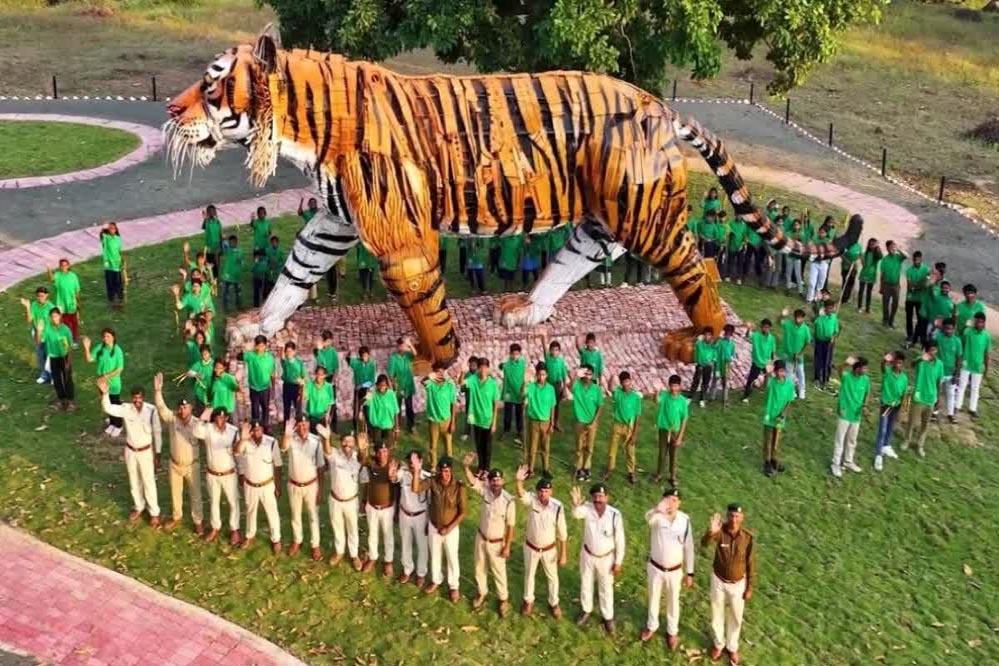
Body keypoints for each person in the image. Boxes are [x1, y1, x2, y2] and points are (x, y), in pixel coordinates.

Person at [98, 379, 162, 527]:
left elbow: (157, 432)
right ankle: (139, 506)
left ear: (144, 397)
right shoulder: (126, 408)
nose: (137, 400)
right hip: (131, 450)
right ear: (131, 397)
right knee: (134, 481)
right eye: (134, 397)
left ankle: (154, 512)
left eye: (139, 397)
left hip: (146, 451)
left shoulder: (151, 410)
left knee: (148, 482)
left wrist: (158, 453)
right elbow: (108, 408)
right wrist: (105, 394)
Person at [701, 504, 756, 665]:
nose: (734, 519)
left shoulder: (747, 538)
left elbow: (751, 563)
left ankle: (732, 647)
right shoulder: (720, 531)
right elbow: (704, 544)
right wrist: (711, 532)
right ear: (727, 516)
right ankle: (719, 643)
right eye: (731, 516)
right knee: (717, 613)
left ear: (742, 518)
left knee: (736, 616)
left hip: (738, 584)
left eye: (737, 516)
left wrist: (749, 587)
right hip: (718, 580)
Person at [641, 487, 695, 650]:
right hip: (656, 567)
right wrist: (658, 510)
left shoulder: (684, 520)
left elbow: (689, 547)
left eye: (675, 500)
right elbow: (648, 520)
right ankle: (652, 626)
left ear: (679, 503)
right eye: (668, 499)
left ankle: (672, 631)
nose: (671, 503)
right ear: (663, 500)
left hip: (675, 570)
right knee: (654, 597)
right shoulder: (657, 516)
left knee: (673, 601)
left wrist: (690, 572)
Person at [463, 455, 515, 616]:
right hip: (481, 537)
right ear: (489, 482)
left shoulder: (509, 501)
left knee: (499, 571)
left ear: (503, 481)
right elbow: (472, 481)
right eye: (493, 480)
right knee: (479, 567)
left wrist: (507, 546)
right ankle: (482, 592)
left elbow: (511, 526)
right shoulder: (485, 491)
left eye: (498, 480)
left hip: (497, 542)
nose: (496, 483)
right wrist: (466, 467)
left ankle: (503, 599)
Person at [151, 373, 203, 534]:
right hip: (174, 465)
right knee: (175, 493)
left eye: (185, 407)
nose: (182, 410)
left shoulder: (197, 424)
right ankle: (176, 516)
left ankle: (198, 521)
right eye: (180, 407)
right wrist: (158, 391)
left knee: (196, 495)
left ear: (191, 408)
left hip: (192, 466)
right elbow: (161, 409)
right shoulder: (173, 419)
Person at [570, 483, 624, 634]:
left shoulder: (615, 515)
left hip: (607, 558)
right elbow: (576, 514)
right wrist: (575, 504)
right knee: (586, 583)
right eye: (595, 497)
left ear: (607, 497)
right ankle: (586, 610)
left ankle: (608, 617)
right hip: (588, 555)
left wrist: (618, 562)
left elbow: (620, 540)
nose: (598, 500)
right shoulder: (587, 509)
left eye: (601, 496)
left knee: (606, 588)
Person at [412, 456, 467, 602]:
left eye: (447, 471)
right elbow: (416, 489)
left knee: (452, 557)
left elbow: (463, 512)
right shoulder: (433, 481)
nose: (444, 475)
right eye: (441, 471)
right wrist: (416, 471)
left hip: (451, 529)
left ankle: (454, 586)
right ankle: (436, 580)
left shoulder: (459, 486)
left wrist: (449, 528)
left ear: (451, 471)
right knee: (435, 555)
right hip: (434, 526)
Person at [515, 468, 568, 619]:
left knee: (552, 577)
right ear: (536, 491)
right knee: (529, 574)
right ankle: (528, 600)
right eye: (541, 491)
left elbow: (562, 533)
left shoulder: (558, 507)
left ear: (551, 492)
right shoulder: (532, 500)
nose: (543, 494)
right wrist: (519, 481)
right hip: (531, 547)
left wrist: (563, 554)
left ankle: (554, 603)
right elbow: (521, 494)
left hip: (549, 549)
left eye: (546, 491)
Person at [280, 415, 326, 560]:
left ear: (308, 424)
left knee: (313, 516)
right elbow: (283, 448)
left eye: (305, 424)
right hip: (294, 484)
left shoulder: (316, 441)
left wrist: (320, 490)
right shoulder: (291, 439)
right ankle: (297, 541)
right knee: (295, 515)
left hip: (311, 485)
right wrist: (286, 435)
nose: (302, 427)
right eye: (299, 425)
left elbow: (320, 467)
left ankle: (315, 545)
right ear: (296, 427)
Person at [235, 420, 283, 553]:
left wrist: (278, 486)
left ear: (262, 430)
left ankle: (276, 539)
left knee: (272, 512)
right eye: (254, 430)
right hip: (250, 484)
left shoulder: (271, 442)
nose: (257, 432)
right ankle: (249, 535)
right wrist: (243, 439)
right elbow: (236, 452)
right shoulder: (245, 442)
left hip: (267, 484)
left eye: (259, 429)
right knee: (250, 511)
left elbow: (278, 465)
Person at [197, 407, 242, 545]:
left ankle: (235, 529)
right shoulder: (208, 429)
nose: (220, 420)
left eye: (223, 417)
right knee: (214, 501)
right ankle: (215, 527)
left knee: (233, 501)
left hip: (229, 473)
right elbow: (196, 431)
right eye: (218, 417)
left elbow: (239, 453)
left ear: (227, 418)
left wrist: (241, 472)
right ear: (214, 418)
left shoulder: (233, 431)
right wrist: (206, 412)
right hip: (212, 473)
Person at [325, 431, 364, 570]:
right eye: (345, 441)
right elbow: (327, 450)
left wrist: (363, 449)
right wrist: (326, 438)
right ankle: (339, 552)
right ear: (340, 442)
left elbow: (364, 463)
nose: (347, 444)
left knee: (352, 528)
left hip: (351, 501)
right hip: (335, 500)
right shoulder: (335, 455)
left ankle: (354, 555)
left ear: (354, 444)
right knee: (337, 527)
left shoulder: (358, 457)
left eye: (350, 441)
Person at [393, 450, 430, 587]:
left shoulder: (427, 477)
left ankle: (421, 573)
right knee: (405, 543)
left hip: (421, 515)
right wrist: (393, 470)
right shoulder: (403, 474)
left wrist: (429, 520)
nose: (411, 464)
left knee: (422, 545)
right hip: (405, 514)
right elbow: (393, 478)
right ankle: (407, 569)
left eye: (414, 461)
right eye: (410, 462)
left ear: (421, 461)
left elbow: (431, 501)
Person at [359, 440, 396, 575]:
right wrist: (362, 450)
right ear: (375, 453)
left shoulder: (393, 464)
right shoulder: (371, 464)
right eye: (379, 452)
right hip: (372, 506)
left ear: (388, 452)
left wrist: (392, 476)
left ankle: (388, 561)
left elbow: (395, 480)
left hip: (387, 508)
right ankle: (373, 557)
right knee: (372, 534)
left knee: (388, 535)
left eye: (385, 451)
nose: (382, 455)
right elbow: (362, 460)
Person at [830, 357, 871, 478]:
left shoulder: (865, 379)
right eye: (864, 368)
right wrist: (846, 363)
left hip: (856, 415)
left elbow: (867, 393)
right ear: (857, 368)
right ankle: (835, 464)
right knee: (840, 439)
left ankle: (848, 461)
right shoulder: (847, 377)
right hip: (845, 413)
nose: (866, 370)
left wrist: (865, 405)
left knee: (852, 440)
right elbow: (839, 369)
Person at [82, 329, 125, 436]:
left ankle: (118, 425)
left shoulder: (117, 350)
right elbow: (89, 359)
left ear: (113, 337)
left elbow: (119, 369)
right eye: (104, 336)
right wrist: (86, 347)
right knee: (106, 402)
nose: (106, 339)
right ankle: (112, 422)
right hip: (102, 382)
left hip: (113, 383)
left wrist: (106, 377)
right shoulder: (100, 347)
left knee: (114, 403)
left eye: (108, 336)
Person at [904, 342, 944, 457]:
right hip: (919, 397)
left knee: (925, 424)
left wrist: (938, 398)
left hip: (930, 398)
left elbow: (939, 382)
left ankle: (920, 445)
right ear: (926, 351)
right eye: (931, 350)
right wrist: (920, 359)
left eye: (935, 350)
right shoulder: (920, 361)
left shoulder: (939, 364)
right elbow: (911, 365)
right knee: (912, 421)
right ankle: (906, 441)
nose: (933, 353)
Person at [464, 357, 501, 474]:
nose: (483, 370)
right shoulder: (473, 379)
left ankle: (486, 469)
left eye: (485, 367)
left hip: (488, 419)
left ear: (488, 369)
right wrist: (461, 372)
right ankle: (480, 467)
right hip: (476, 418)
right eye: (480, 367)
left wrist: (494, 422)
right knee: (479, 445)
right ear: (478, 369)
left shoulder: (493, 384)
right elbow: (461, 383)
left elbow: (495, 404)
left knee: (487, 446)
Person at [605, 371, 643, 484]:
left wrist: (634, 433)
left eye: (628, 381)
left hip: (629, 426)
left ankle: (631, 472)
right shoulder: (618, 393)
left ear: (630, 381)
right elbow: (610, 388)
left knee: (630, 450)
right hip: (617, 424)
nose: (626, 384)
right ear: (621, 383)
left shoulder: (636, 397)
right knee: (612, 449)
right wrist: (612, 377)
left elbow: (638, 416)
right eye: (624, 382)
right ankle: (610, 469)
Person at [874, 351, 908, 472]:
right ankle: (878, 455)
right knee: (882, 430)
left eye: (900, 363)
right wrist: (886, 358)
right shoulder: (887, 372)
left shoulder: (904, 377)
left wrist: (903, 407)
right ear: (893, 362)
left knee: (890, 426)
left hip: (896, 406)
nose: (898, 365)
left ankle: (886, 446)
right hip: (886, 405)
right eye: (896, 362)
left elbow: (904, 393)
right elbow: (882, 364)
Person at [761, 361, 795, 477]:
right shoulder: (772, 382)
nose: (781, 374)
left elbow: (789, 400)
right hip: (769, 414)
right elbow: (764, 386)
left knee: (776, 439)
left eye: (782, 371)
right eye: (779, 371)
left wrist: (783, 414)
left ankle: (774, 459)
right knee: (768, 439)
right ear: (775, 372)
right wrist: (767, 374)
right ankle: (767, 462)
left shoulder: (789, 384)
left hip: (780, 416)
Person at [570, 365, 604, 482]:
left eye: (589, 374)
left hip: (591, 422)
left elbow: (600, 406)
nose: (587, 376)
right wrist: (576, 375)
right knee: (579, 447)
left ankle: (587, 468)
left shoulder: (596, 389)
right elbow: (570, 387)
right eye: (585, 373)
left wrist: (594, 422)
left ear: (592, 375)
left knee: (589, 447)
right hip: (580, 421)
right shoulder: (577, 385)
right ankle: (579, 469)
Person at [524, 362, 557, 478]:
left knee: (545, 447)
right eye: (539, 374)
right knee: (532, 447)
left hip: (546, 422)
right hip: (534, 421)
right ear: (536, 375)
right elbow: (523, 394)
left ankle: (546, 469)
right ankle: (530, 469)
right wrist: (525, 382)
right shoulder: (531, 387)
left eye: (543, 375)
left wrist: (552, 422)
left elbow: (552, 405)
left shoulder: (551, 389)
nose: (541, 377)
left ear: (546, 375)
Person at [655, 375, 689, 487]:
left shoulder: (682, 401)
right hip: (664, 429)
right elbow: (657, 401)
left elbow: (684, 419)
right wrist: (656, 393)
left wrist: (680, 437)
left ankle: (673, 476)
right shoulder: (665, 395)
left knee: (673, 455)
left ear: (679, 386)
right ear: (669, 386)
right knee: (662, 453)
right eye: (672, 386)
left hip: (675, 431)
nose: (674, 388)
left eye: (676, 386)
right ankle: (659, 474)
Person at [423, 362, 458, 469]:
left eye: (442, 371)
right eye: (437, 371)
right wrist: (428, 376)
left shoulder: (449, 385)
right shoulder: (431, 384)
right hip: (433, 420)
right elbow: (423, 382)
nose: (440, 373)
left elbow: (453, 404)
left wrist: (453, 422)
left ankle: (448, 466)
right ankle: (433, 466)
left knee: (448, 446)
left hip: (446, 420)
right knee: (433, 446)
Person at [41, 307, 75, 411]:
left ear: (60, 316)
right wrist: (38, 330)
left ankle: (70, 401)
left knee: (67, 379)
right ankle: (61, 399)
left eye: (55, 316)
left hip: (64, 357)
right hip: (53, 357)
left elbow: (70, 346)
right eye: (52, 317)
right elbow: (40, 341)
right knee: (56, 379)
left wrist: (69, 361)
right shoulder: (47, 328)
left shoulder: (65, 330)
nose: (54, 319)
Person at [957, 312, 990, 419]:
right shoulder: (968, 332)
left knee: (975, 388)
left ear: (984, 323)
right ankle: (957, 406)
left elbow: (986, 353)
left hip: (978, 366)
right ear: (974, 321)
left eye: (981, 322)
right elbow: (961, 344)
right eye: (977, 321)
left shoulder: (986, 336)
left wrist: (986, 368)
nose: (979, 324)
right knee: (962, 385)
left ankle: (972, 409)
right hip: (966, 363)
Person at [20, 287, 55, 384]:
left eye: (42, 296)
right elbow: (29, 319)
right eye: (38, 296)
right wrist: (27, 307)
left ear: (47, 295)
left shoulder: (51, 307)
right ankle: (44, 375)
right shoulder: (34, 305)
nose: (40, 298)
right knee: (40, 355)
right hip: (37, 333)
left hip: (48, 335)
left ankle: (53, 376)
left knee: (50, 357)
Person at [243, 335, 276, 431]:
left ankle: (265, 427)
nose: (260, 348)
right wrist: (246, 348)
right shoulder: (250, 355)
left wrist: (273, 387)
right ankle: (255, 428)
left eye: (262, 346)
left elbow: (272, 374)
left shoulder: (270, 358)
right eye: (258, 346)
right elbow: (239, 356)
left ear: (266, 346)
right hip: (254, 388)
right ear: (255, 346)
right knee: (255, 408)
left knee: (265, 408)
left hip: (265, 388)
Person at [778, 308, 811, 400]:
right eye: (796, 317)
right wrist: (782, 315)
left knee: (800, 373)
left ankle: (802, 391)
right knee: (789, 373)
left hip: (799, 356)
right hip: (788, 354)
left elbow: (807, 342)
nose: (797, 319)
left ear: (803, 318)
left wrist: (800, 353)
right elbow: (779, 322)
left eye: (800, 317)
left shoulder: (805, 329)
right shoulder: (788, 324)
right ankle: (791, 391)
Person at [934, 319, 963, 423]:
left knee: (951, 393)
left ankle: (951, 414)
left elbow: (959, 358)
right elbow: (931, 349)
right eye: (946, 328)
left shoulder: (957, 341)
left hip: (951, 373)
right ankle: (934, 412)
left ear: (954, 329)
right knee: (936, 392)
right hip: (938, 371)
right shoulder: (938, 338)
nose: (948, 331)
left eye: (951, 329)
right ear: (942, 328)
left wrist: (957, 374)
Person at [740, 319, 776, 402]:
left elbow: (773, 351)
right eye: (764, 327)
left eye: (767, 327)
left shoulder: (771, 338)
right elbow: (747, 336)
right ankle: (746, 396)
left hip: (766, 362)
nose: (766, 329)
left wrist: (771, 362)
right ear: (761, 327)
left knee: (768, 376)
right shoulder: (756, 335)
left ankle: (764, 389)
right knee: (751, 379)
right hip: (757, 362)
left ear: (770, 328)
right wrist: (749, 328)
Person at [47, 259, 81, 343]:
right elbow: (52, 279)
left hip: (72, 303)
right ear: (60, 266)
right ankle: (67, 339)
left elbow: (77, 290)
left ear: (68, 266)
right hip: (62, 304)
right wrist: (49, 269)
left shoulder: (73, 276)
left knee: (74, 323)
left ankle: (75, 339)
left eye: (65, 265)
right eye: (62, 265)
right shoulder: (58, 275)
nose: (64, 267)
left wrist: (77, 302)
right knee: (65, 323)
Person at [388, 337, 417, 433]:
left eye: (405, 345)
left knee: (409, 407)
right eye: (403, 345)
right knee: (397, 407)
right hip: (398, 386)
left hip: (408, 386)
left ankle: (411, 426)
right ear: (399, 346)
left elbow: (415, 354)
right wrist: (393, 385)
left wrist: (410, 344)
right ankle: (397, 425)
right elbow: (391, 374)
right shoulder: (393, 358)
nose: (405, 347)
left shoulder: (407, 355)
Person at [500, 343, 526, 443]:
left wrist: (524, 388)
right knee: (508, 412)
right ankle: (506, 430)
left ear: (520, 354)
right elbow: (500, 366)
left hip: (519, 393)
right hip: (509, 393)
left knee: (519, 413)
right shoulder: (507, 364)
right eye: (513, 354)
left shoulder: (522, 363)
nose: (515, 356)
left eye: (517, 354)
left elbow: (525, 375)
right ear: (510, 354)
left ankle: (520, 431)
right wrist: (501, 365)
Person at [364, 374, 400, 447]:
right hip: (377, 424)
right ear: (377, 385)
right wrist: (368, 393)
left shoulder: (391, 394)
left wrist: (396, 428)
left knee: (389, 445)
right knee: (377, 445)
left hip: (388, 424)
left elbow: (396, 411)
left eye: (383, 385)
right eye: (379, 385)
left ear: (387, 385)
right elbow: (364, 402)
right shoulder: (373, 394)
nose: (381, 387)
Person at [313, 330, 340, 424]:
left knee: (332, 402)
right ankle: (321, 422)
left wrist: (333, 381)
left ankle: (333, 424)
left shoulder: (333, 351)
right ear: (323, 341)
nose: (329, 343)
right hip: (321, 378)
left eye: (330, 341)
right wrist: (320, 349)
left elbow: (336, 368)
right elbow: (320, 362)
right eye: (327, 341)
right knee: (321, 401)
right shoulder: (318, 351)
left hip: (330, 378)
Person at [812, 300, 840, 392]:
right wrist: (814, 340)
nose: (829, 310)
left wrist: (833, 337)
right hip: (820, 342)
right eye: (828, 308)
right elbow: (815, 331)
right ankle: (817, 378)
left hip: (829, 343)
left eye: (831, 308)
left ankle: (825, 379)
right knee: (818, 360)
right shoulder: (819, 318)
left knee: (827, 361)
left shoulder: (834, 318)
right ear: (825, 308)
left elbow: (836, 331)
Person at [805, 217, 835, 302]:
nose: (821, 234)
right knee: (812, 282)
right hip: (814, 263)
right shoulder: (815, 239)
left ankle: (817, 297)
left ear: (826, 233)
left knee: (820, 283)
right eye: (820, 232)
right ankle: (809, 298)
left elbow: (831, 251)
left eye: (823, 233)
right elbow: (810, 246)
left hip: (823, 264)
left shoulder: (828, 241)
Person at [347, 346, 376, 431]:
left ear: (368, 355)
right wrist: (349, 353)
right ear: (360, 356)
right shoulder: (356, 362)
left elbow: (372, 380)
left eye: (366, 356)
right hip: (358, 390)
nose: (364, 358)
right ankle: (356, 430)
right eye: (363, 356)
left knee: (367, 411)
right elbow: (348, 359)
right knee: (356, 411)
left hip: (368, 390)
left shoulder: (372, 364)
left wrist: (363, 385)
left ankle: (370, 430)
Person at [903, 251, 930, 346]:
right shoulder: (909, 270)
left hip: (921, 299)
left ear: (921, 259)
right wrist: (919, 285)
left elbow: (925, 284)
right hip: (910, 298)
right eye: (914, 259)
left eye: (918, 259)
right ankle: (909, 335)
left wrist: (916, 287)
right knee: (909, 317)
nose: (916, 261)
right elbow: (909, 286)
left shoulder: (926, 269)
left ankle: (917, 336)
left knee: (920, 319)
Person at [879, 241, 906, 328]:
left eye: (894, 246)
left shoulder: (898, 257)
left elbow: (906, 256)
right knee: (885, 303)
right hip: (886, 284)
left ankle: (891, 321)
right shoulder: (885, 259)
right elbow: (882, 274)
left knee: (895, 303)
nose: (892, 248)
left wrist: (898, 249)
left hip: (896, 285)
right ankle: (885, 320)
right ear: (887, 248)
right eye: (891, 247)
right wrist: (881, 287)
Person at [543, 340, 569, 431]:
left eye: (556, 350)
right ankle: (547, 421)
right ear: (550, 350)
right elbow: (544, 348)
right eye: (553, 350)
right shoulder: (547, 358)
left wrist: (564, 389)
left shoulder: (560, 361)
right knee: (547, 403)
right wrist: (543, 338)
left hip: (557, 385)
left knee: (556, 404)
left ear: (559, 351)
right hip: (548, 384)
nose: (554, 352)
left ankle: (556, 422)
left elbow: (564, 376)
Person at [302, 366, 335, 434]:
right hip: (312, 416)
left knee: (323, 435)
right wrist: (303, 386)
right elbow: (304, 397)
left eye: (321, 375)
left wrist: (328, 414)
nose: (318, 376)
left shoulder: (328, 386)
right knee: (313, 436)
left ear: (325, 375)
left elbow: (331, 402)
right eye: (317, 374)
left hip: (323, 416)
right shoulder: (310, 385)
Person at [689, 327, 716, 408]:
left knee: (705, 383)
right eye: (706, 335)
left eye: (709, 335)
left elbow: (715, 354)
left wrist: (712, 361)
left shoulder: (713, 345)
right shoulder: (699, 343)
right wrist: (696, 361)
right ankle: (690, 396)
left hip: (708, 366)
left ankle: (702, 399)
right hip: (700, 365)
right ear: (703, 335)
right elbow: (694, 348)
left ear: (711, 336)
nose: (707, 336)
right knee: (696, 381)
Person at [100, 222, 125, 305]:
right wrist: (106, 261)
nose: (112, 230)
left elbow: (119, 250)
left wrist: (122, 260)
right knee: (110, 282)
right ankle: (111, 298)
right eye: (110, 228)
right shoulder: (106, 237)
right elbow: (104, 249)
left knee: (118, 281)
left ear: (116, 229)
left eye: (114, 228)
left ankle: (120, 296)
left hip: (116, 263)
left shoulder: (118, 238)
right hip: (108, 264)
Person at [280, 341, 306, 422]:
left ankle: (299, 424)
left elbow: (304, 376)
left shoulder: (299, 362)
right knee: (286, 408)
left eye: (290, 351)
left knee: (298, 408)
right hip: (287, 386)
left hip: (296, 387)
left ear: (294, 351)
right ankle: (286, 425)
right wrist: (282, 347)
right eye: (287, 351)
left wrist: (303, 388)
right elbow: (282, 357)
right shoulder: (285, 361)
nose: (289, 353)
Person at [711, 324, 737, 404]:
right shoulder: (720, 342)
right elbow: (713, 347)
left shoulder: (732, 344)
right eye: (726, 333)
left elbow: (733, 355)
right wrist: (717, 339)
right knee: (715, 380)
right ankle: (712, 397)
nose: (728, 335)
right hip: (718, 366)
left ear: (731, 334)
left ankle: (725, 398)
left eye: (729, 333)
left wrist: (731, 359)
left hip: (726, 366)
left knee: (725, 382)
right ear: (724, 332)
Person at [186, 344, 214, 415]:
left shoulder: (214, 364)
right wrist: (196, 374)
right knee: (200, 412)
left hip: (211, 393)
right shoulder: (198, 364)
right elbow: (189, 373)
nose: (204, 356)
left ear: (210, 353)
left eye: (206, 354)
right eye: (202, 355)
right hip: (200, 393)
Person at [858, 239, 883, 314]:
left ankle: (867, 309)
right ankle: (859, 307)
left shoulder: (877, 254)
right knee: (861, 291)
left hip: (872, 275)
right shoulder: (866, 253)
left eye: (873, 244)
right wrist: (861, 257)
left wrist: (877, 246)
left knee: (869, 292)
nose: (871, 246)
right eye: (870, 244)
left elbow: (880, 256)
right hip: (864, 274)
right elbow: (863, 264)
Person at [219, 234, 243, 309]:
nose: (231, 244)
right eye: (230, 242)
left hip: (236, 275)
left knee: (238, 291)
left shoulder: (240, 251)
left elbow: (242, 262)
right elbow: (224, 243)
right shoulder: (227, 250)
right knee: (225, 292)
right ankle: (225, 306)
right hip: (227, 275)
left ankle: (238, 305)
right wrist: (223, 239)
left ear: (236, 242)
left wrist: (240, 262)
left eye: (233, 242)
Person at [839, 238, 862, 306]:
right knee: (845, 282)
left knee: (851, 283)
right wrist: (848, 262)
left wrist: (857, 261)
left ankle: (847, 298)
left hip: (854, 268)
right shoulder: (846, 245)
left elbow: (860, 255)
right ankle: (843, 298)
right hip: (845, 267)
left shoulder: (858, 246)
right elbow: (841, 254)